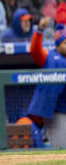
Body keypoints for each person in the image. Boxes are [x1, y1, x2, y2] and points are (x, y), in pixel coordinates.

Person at [27, 17, 66, 149]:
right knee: (61, 149)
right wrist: (40, 30)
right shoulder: (50, 57)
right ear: (58, 44)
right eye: (65, 43)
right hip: (56, 112)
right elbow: (35, 51)